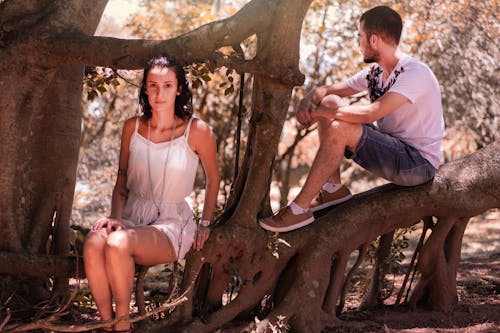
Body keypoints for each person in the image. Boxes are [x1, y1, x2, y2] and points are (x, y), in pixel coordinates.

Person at [259, 6, 444, 233]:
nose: (359, 43)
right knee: (331, 102)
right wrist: (310, 99)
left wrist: (318, 115)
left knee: (338, 125)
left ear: (373, 40)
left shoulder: (415, 73)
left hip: (417, 164)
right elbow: (329, 91)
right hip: (393, 150)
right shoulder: (376, 72)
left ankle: (299, 210)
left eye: (360, 37)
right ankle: (333, 188)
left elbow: (371, 113)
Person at [83, 54, 220, 332]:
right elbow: (122, 177)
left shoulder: (197, 131)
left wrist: (205, 222)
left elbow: (213, 178)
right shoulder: (132, 127)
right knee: (94, 243)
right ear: (145, 88)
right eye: (153, 85)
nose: (159, 93)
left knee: (117, 244)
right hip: (132, 214)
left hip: (171, 222)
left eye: (167, 85)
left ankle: (122, 325)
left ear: (179, 88)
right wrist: (115, 216)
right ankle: (107, 324)